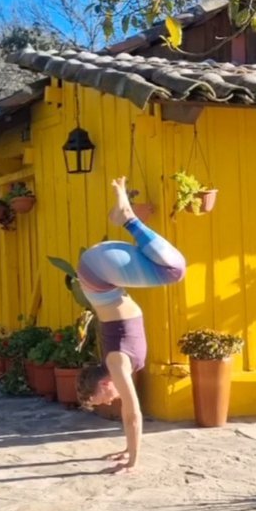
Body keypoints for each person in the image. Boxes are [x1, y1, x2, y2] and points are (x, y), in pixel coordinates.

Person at [76, 177, 186, 472]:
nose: (104, 402)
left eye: (98, 399)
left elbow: (132, 414)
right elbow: (129, 414)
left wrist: (132, 463)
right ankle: (125, 215)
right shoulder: (115, 364)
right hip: (98, 274)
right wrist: (127, 449)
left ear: (102, 384)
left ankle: (127, 217)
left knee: (175, 270)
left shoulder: (115, 364)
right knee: (169, 267)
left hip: (97, 274)